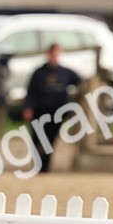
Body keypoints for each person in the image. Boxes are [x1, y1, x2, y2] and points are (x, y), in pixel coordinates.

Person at [22, 43, 82, 173]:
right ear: (48, 54)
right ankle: (37, 165)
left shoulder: (66, 72)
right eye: (52, 54)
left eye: (57, 54)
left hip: (57, 114)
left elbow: (82, 82)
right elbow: (31, 91)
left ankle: (45, 167)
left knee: (50, 141)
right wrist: (28, 108)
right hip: (40, 112)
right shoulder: (39, 73)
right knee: (36, 139)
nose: (54, 57)